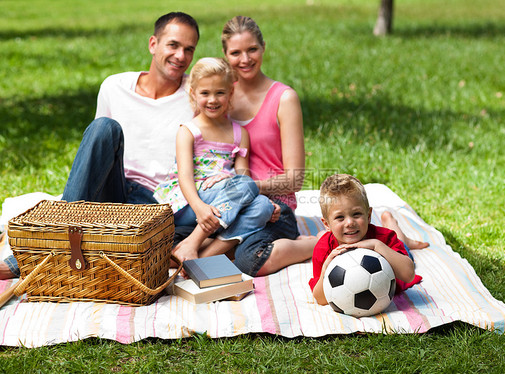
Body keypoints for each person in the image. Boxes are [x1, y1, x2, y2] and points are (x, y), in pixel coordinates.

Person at [0, 12, 199, 279]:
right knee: (105, 127)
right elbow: (97, 150)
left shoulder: (197, 97)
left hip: (153, 205)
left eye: (189, 49)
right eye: (173, 45)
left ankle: (35, 255)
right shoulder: (115, 86)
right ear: (153, 44)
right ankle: (53, 240)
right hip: (113, 189)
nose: (180, 56)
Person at [174, 16, 316, 276]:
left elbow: (295, 179)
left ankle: (318, 244)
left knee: (250, 260)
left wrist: (246, 187)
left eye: (252, 49)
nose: (245, 59)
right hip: (223, 203)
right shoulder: (220, 93)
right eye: (235, 52)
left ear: (263, 47)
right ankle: (205, 248)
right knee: (164, 239)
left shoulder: (284, 98)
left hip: (273, 206)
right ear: (225, 55)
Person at [153, 57, 274, 262]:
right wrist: (200, 208)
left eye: (220, 92)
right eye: (205, 93)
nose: (213, 100)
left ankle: (199, 255)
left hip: (224, 200)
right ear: (193, 93)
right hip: (190, 204)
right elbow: (184, 178)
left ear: (230, 93)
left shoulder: (239, 134)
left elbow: (243, 174)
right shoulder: (189, 131)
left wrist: (228, 180)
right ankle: (195, 241)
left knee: (263, 206)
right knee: (244, 186)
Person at [309, 174, 428, 305]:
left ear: (369, 215)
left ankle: (392, 224)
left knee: (401, 243)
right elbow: (320, 299)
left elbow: (408, 274)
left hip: (395, 249)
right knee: (323, 237)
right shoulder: (324, 249)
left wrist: (377, 245)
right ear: (327, 224)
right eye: (340, 218)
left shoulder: (383, 238)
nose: (349, 223)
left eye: (356, 214)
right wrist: (326, 267)